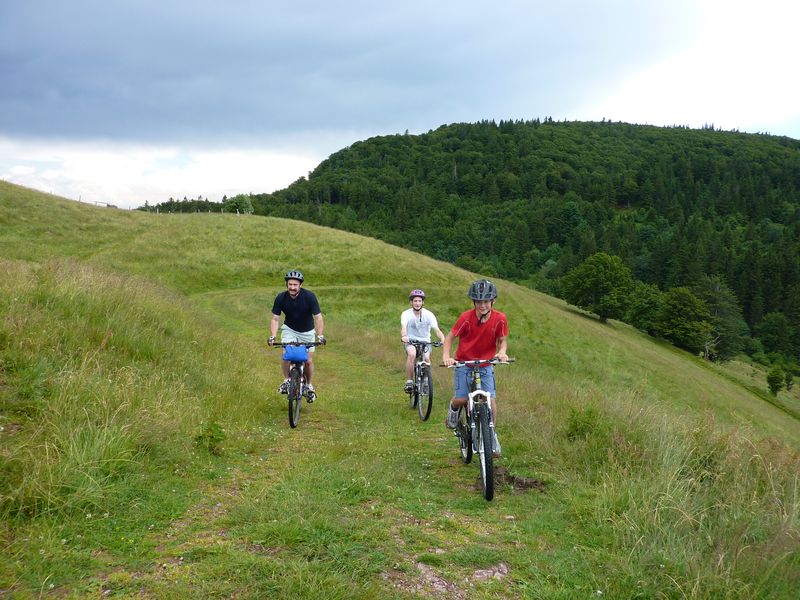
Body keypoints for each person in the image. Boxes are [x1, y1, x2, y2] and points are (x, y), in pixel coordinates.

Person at [442, 279, 508, 455]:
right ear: (474, 302)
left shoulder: (500, 318)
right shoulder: (466, 318)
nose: (482, 305)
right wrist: (447, 357)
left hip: (486, 364)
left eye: (486, 301)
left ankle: (491, 435)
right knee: (461, 399)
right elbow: (449, 338)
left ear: (492, 301)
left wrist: (502, 352)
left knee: (490, 400)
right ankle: (453, 414)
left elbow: (502, 341)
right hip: (464, 363)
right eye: (478, 301)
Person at [267, 270, 326, 401]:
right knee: (286, 356)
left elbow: (318, 318)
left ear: (300, 285)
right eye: (290, 284)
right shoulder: (281, 298)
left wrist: (320, 336)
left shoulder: (309, 297)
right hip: (290, 330)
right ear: (287, 284)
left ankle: (309, 386)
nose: (292, 287)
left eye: (295, 284)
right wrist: (273, 336)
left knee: (308, 361)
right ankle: (287, 380)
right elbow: (275, 319)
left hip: (308, 332)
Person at [400, 289, 446, 392]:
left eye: (419, 301)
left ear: (423, 302)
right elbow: (403, 327)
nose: (417, 303)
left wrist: (442, 339)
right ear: (411, 302)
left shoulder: (429, 314)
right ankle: (409, 382)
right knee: (411, 354)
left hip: (425, 341)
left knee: (426, 358)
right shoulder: (406, 314)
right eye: (415, 301)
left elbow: (437, 330)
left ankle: (426, 381)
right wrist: (404, 336)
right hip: (411, 340)